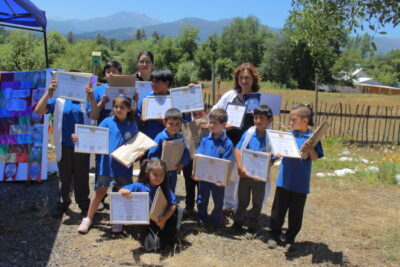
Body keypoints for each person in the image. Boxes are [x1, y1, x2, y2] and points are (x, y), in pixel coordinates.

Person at [77, 95, 139, 234]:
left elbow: (136, 146)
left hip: (123, 167)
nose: (118, 109)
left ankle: (117, 219)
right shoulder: (106, 121)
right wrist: (79, 138)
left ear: (128, 109)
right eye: (115, 106)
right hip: (106, 165)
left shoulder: (132, 126)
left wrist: (138, 154)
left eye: (122, 107)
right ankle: (88, 218)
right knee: (100, 191)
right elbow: (94, 137)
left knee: (121, 192)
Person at [35, 78, 96, 218]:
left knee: (82, 177)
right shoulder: (59, 100)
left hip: (82, 146)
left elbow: (94, 115)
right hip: (64, 146)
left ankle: (84, 205)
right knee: (64, 177)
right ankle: (63, 203)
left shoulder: (85, 100)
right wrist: (49, 92)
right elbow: (39, 110)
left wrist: (92, 98)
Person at [267, 104, 324, 251]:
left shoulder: (312, 138)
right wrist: (277, 154)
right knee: (278, 210)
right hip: (284, 180)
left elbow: (316, 158)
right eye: (290, 119)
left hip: (300, 183)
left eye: (294, 119)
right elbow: (277, 152)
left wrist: (310, 148)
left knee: (296, 213)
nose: (291, 122)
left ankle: (290, 238)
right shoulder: (288, 135)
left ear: (305, 120)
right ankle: (274, 234)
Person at [211, 62, 262, 212]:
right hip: (231, 141)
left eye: (247, 77)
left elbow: (267, 119)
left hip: (250, 143)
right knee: (230, 175)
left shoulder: (259, 98)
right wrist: (223, 123)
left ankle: (242, 208)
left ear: (253, 79)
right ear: (237, 79)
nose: (244, 81)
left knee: (246, 178)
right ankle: (227, 206)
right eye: (241, 78)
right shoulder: (230, 95)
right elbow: (214, 112)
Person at [231, 105, 274, 235]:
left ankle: (252, 225)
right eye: (255, 118)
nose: (258, 121)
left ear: (269, 120)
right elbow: (238, 149)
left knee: (257, 201)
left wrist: (261, 172)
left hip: (259, 177)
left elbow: (272, 158)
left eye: (261, 118)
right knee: (242, 199)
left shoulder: (271, 138)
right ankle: (238, 222)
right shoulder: (249, 132)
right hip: (245, 173)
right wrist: (239, 167)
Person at [120, 158, 178, 251]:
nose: (158, 178)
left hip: (161, 219)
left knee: (167, 241)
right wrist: (124, 191)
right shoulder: (139, 186)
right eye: (155, 175)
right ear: (147, 173)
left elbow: (173, 204)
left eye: (161, 174)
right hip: (145, 222)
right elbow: (123, 190)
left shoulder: (165, 188)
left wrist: (165, 219)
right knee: (153, 246)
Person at [193, 109, 234, 229]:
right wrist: (196, 172)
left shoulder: (228, 144)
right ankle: (202, 218)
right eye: (210, 122)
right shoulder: (205, 139)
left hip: (218, 180)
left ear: (224, 125)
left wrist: (222, 179)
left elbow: (228, 162)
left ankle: (216, 220)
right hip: (204, 177)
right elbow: (199, 155)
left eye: (215, 123)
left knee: (218, 200)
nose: (211, 125)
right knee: (201, 198)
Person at [148, 108, 190, 193]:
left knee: (170, 190)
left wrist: (182, 163)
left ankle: (170, 205)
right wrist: (158, 166)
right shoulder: (160, 137)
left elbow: (186, 151)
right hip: (159, 173)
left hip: (173, 171)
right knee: (159, 192)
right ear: (165, 123)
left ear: (181, 124)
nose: (174, 127)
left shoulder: (180, 137)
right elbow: (152, 154)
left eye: (177, 124)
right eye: (171, 124)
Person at [137, 68, 173, 140]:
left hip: (168, 140)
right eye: (152, 81)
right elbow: (136, 119)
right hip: (148, 140)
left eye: (156, 81)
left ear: (166, 83)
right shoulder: (145, 99)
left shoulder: (173, 99)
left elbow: (182, 122)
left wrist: (164, 122)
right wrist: (141, 119)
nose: (153, 84)